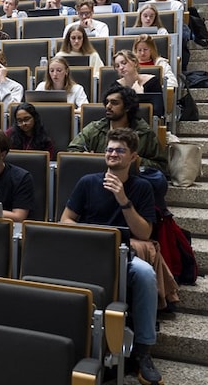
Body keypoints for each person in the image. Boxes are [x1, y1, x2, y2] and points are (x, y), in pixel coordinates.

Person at [61, 127, 163, 385]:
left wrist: (122, 199)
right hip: (87, 251)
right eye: (109, 149)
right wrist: (91, 235)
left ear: (133, 157)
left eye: (120, 150)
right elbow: (66, 220)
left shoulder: (141, 188)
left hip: (122, 256)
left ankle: (143, 350)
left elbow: (145, 231)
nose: (113, 154)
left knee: (145, 273)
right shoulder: (87, 182)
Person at [68, 85, 168, 175]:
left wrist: (133, 160)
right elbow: (72, 151)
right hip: (97, 178)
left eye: (114, 103)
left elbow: (161, 166)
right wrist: (84, 156)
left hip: (131, 181)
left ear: (127, 107)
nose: (108, 106)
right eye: (107, 102)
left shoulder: (144, 132)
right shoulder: (95, 128)